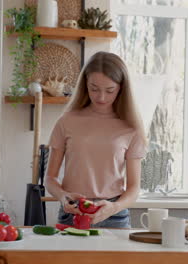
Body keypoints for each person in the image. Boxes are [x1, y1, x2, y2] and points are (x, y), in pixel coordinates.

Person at [44, 51, 147, 228]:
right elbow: (50, 179)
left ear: (121, 88)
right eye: (94, 89)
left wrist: (115, 207)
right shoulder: (67, 121)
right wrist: (62, 197)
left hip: (114, 216)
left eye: (109, 90)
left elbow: (133, 188)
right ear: (85, 85)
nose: (101, 97)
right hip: (73, 212)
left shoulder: (131, 127)